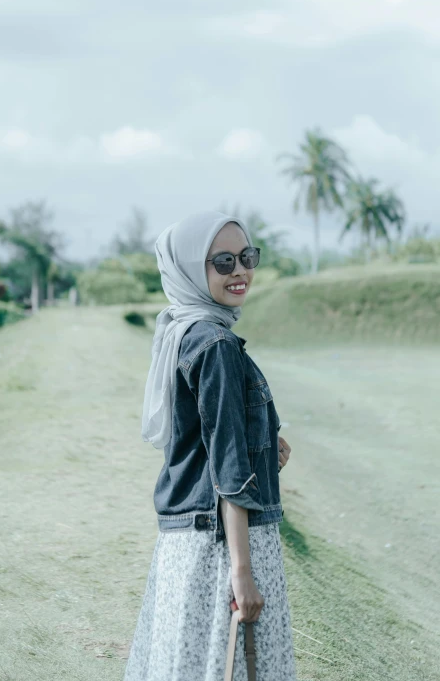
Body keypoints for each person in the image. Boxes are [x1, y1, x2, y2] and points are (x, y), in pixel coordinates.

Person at [123, 210, 297, 680]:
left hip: (187, 540)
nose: (240, 271)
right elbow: (226, 466)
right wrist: (242, 571)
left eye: (247, 256)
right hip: (220, 544)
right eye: (222, 261)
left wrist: (262, 442)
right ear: (189, 268)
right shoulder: (215, 343)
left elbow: (204, 438)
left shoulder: (184, 331)